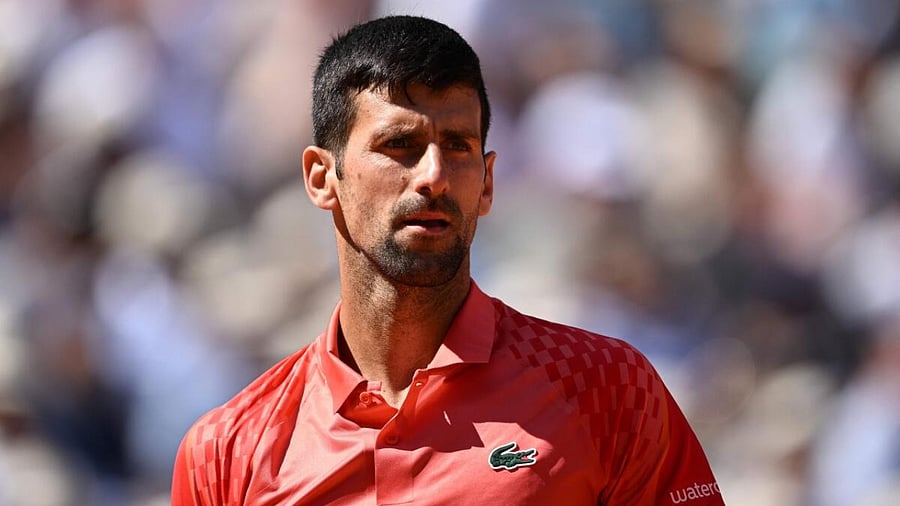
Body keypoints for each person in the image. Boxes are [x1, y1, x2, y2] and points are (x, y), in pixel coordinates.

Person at [171, 15, 724, 505]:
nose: (434, 175)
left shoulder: (609, 390)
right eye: (400, 146)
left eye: (458, 145)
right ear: (322, 178)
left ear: (487, 183)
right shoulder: (229, 449)